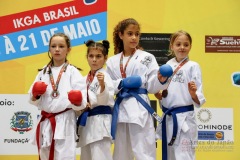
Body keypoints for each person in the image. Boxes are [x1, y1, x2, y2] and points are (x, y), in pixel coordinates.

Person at [106, 18, 168, 160]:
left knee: (144, 151)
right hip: (121, 110)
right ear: (121, 35)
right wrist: (122, 83)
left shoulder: (147, 57)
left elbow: (152, 86)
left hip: (140, 108)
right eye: (130, 33)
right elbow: (109, 86)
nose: (134, 37)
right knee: (121, 153)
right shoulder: (112, 61)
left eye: (137, 34)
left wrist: (160, 79)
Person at [28, 33, 87, 160]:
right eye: (53, 46)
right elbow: (31, 99)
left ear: (68, 50)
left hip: (65, 120)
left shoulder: (73, 72)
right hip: (46, 121)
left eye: (61, 46)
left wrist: (77, 101)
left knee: (65, 156)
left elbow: (82, 103)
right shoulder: (43, 72)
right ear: (49, 49)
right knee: (45, 155)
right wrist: (35, 95)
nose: (57, 49)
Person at [155, 30, 206, 160]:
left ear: (190, 47)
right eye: (178, 44)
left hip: (184, 119)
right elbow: (167, 91)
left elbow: (198, 95)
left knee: (184, 156)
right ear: (171, 46)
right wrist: (161, 97)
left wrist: (194, 94)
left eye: (186, 44)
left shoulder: (193, 66)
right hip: (169, 116)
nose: (182, 47)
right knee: (171, 155)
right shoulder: (167, 65)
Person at [77, 40, 114, 160]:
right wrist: (82, 104)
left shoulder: (105, 76)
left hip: (101, 123)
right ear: (86, 57)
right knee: (86, 157)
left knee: (101, 156)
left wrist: (102, 85)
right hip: (87, 123)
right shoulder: (83, 79)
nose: (94, 60)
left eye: (98, 56)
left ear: (105, 58)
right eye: (91, 56)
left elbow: (104, 100)